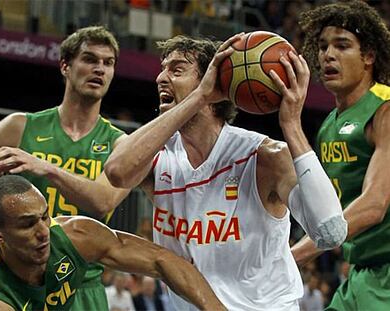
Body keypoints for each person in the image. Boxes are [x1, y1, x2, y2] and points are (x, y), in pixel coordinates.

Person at [103, 33, 347, 310]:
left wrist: (291, 125)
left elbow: (331, 231)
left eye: (177, 69)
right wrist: (198, 97)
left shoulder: (264, 156)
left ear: (215, 81)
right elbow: (117, 172)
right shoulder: (160, 155)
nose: (160, 78)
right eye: (162, 68)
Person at [0, 26, 132, 310]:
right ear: (65, 66)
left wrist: (44, 167)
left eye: (108, 63)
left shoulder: (120, 144)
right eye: (89, 59)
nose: (99, 69)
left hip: (83, 287)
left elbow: (103, 201)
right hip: (18, 286)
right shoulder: (18, 127)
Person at [0, 175, 225, 311]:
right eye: (28, 224)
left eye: (45, 216)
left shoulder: (74, 235)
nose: (43, 232)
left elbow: (161, 260)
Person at [292, 1, 390, 310]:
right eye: (322, 47)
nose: (328, 55)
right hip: (362, 275)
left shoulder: (384, 108)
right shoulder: (328, 127)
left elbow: (374, 205)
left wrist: (293, 255)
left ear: (369, 57)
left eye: (342, 45)